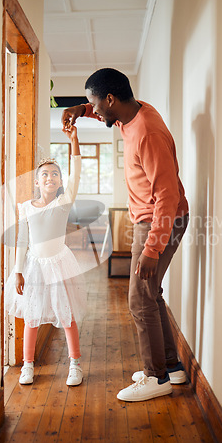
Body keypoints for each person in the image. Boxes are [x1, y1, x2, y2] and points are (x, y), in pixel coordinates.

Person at [62, 68, 189, 402]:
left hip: (161, 221)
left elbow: (168, 196)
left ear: (110, 99)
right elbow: (103, 112)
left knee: (138, 298)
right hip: (152, 219)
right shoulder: (130, 113)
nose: (94, 110)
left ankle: (155, 376)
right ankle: (171, 367)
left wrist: (152, 248)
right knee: (151, 294)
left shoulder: (146, 132)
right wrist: (80, 109)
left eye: (95, 104)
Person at [4, 124, 86, 386]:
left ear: (60, 182)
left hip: (60, 264)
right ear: (37, 182)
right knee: (32, 315)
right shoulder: (27, 207)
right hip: (34, 267)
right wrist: (17, 271)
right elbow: (23, 239)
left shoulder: (64, 202)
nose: (50, 178)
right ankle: (28, 365)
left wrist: (74, 141)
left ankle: (75, 363)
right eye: (44, 175)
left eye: (55, 174)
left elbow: (77, 174)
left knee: (67, 314)